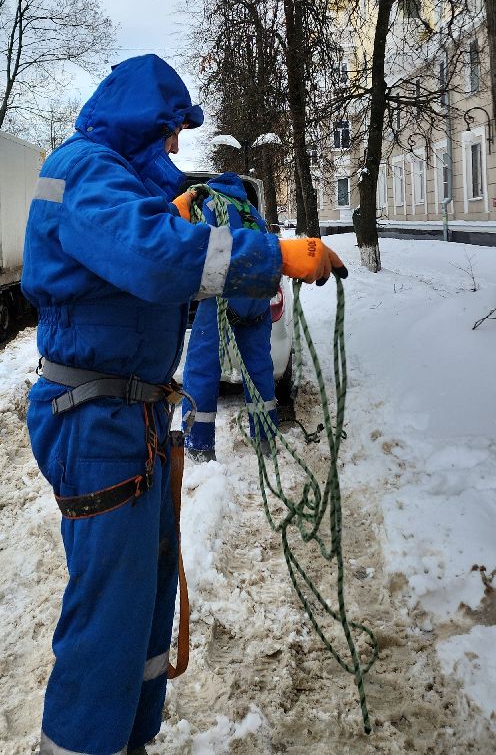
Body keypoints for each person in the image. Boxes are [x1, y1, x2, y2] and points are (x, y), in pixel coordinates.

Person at [21, 54, 341, 755]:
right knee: (109, 613)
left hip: (125, 416)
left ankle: (126, 740)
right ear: (142, 116)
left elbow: (141, 256)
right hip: (94, 418)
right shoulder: (83, 169)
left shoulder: (106, 174)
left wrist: (173, 216)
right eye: (170, 130)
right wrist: (273, 256)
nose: (174, 147)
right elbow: (158, 260)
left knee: (141, 602)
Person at [182, 172, 280, 460]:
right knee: (258, 367)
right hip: (257, 297)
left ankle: (198, 446)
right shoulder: (251, 211)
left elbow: (194, 249)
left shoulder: (210, 205)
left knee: (201, 368)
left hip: (224, 295)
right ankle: (265, 440)